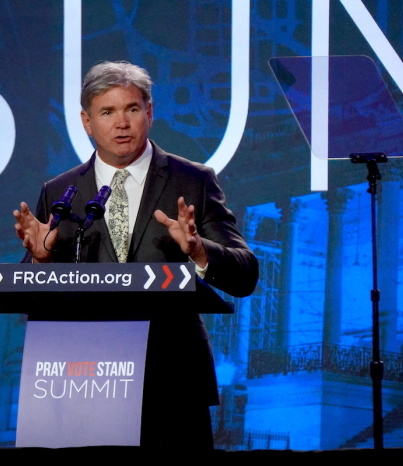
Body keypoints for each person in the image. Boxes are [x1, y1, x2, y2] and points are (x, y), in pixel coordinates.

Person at [13, 60, 258, 449]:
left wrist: (198, 250)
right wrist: (40, 260)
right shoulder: (60, 191)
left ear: (150, 112)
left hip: (171, 381)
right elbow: (28, 290)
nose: (121, 123)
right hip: (82, 379)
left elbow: (245, 274)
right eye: (107, 112)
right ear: (86, 121)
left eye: (131, 109)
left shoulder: (192, 180)